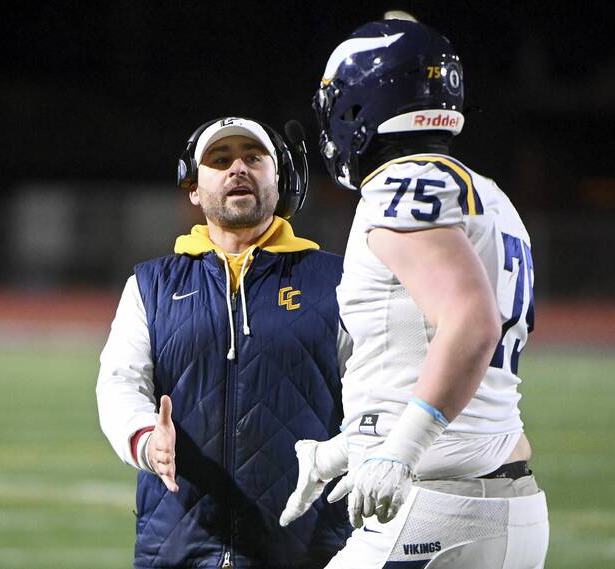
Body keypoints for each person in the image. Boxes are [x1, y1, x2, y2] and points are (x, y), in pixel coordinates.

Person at [279, 18, 549, 569]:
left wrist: (401, 452)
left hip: (434, 507)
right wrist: (343, 450)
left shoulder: (398, 188)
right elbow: (413, 348)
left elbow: (470, 323)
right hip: (503, 502)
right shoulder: (486, 196)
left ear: (357, 105)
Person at [97, 116, 352, 569]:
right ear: (193, 188)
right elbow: (119, 384)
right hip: (177, 548)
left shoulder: (339, 281)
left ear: (281, 180)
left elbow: (376, 395)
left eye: (254, 158)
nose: (239, 168)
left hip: (310, 550)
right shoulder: (150, 285)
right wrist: (144, 440)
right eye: (220, 159)